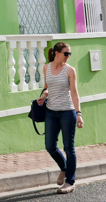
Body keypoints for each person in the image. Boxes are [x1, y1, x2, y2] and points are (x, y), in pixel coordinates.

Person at [37, 42, 84, 194]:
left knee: (68, 147)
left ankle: (70, 181)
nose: (68, 56)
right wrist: (43, 96)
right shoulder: (46, 68)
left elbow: (75, 93)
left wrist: (79, 113)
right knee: (50, 146)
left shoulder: (70, 70)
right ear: (57, 53)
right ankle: (64, 168)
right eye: (66, 53)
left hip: (67, 112)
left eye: (69, 54)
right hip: (51, 112)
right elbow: (46, 88)